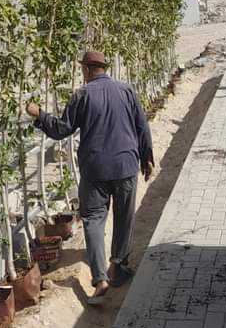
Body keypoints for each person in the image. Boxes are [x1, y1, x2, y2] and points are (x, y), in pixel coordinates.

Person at [25, 50, 153, 304]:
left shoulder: (82, 95)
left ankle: (100, 278)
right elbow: (142, 126)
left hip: (95, 168)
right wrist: (147, 157)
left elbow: (62, 129)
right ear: (104, 68)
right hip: (126, 164)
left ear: (86, 69)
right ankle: (117, 265)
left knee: (93, 219)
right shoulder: (126, 91)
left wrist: (40, 114)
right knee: (124, 216)